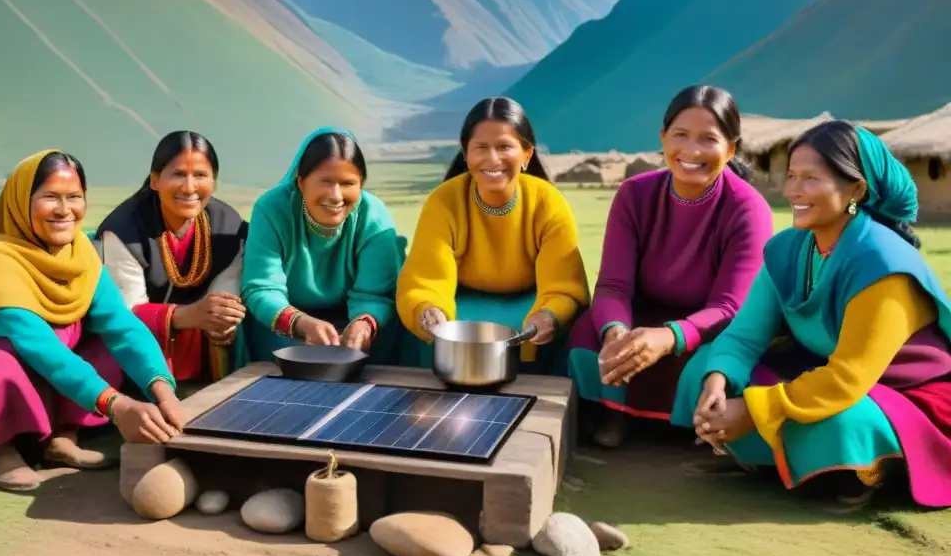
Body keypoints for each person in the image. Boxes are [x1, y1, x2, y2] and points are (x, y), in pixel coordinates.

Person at [678, 120, 951, 509]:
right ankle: (798, 461)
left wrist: (755, 412)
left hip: (902, 396)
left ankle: (866, 471)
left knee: (837, 423)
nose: (793, 191)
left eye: (810, 179)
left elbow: (847, 379)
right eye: (791, 176)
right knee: (704, 367)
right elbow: (744, 336)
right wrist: (718, 382)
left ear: (855, 189)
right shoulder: (789, 248)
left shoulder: (884, 264)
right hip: (819, 374)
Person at [0, 150, 186, 492]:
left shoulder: (80, 254)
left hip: (41, 370)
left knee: (102, 344)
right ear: (21, 202)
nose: (65, 210)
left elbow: (122, 326)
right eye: (50, 197)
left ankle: (61, 436)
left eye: (74, 197)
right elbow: (44, 349)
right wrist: (117, 405)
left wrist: (163, 392)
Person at [567, 85, 774, 448]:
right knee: (588, 332)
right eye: (680, 135)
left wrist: (670, 337)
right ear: (663, 138)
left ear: (731, 149)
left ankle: (677, 428)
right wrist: (617, 333)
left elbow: (729, 308)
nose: (691, 151)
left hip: (706, 326)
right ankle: (615, 412)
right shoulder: (634, 194)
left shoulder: (748, 209)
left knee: (715, 361)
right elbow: (613, 286)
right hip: (642, 315)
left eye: (708, 139)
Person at [397, 97, 589, 374]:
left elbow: (563, 286)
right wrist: (429, 311)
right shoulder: (444, 201)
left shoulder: (548, 202)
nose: (493, 159)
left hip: (531, 307)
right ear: (466, 153)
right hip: (458, 308)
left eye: (504, 147)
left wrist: (549, 315)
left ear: (527, 154)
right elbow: (426, 280)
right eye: (481, 148)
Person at [96, 131, 248, 384]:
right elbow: (124, 313)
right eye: (178, 174)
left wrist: (222, 320)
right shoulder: (123, 231)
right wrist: (189, 315)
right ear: (155, 180)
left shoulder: (228, 225)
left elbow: (225, 292)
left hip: (203, 346)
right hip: (140, 347)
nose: (189, 188)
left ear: (214, 181)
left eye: (200, 175)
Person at [242, 127, 403, 362]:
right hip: (286, 324)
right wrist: (300, 323)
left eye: (348, 183)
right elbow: (262, 288)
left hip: (352, 322)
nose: (336, 195)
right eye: (325, 182)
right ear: (301, 181)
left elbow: (376, 293)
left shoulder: (373, 215)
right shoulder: (271, 209)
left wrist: (363, 324)